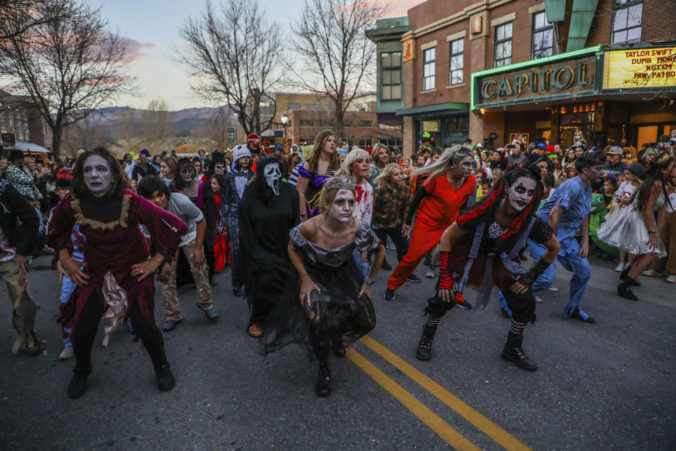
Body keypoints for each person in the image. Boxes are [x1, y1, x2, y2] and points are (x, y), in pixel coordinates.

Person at [47, 147, 188, 399]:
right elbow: (55, 228)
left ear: (113, 174)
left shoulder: (130, 201)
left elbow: (172, 226)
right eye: (88, 169)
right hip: (96, 274)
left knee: (145, 326)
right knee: (81, 328)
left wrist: (154, 262)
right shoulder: (73, 202)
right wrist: (66, 259)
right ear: (81, 174)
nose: (94, 175)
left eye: (101, 169)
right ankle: (82, 369)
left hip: (133, 273)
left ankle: (162, 367)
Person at [414, 168, 558, 370]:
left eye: (530, 193)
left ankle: (512, 348)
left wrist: (529, 278)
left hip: (501, 262)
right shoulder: (481, 212)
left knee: (525, 301)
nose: (524, 197)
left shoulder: (530, 222)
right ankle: (427, 336)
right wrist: (446, 277)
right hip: (466, 256)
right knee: (443, 297)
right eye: (520, 189)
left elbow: (554, 248)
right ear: (507, 188)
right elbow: (447, 237)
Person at [260, 177, 385, 397]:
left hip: (344, 274)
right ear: (326, 204)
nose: (347, 207)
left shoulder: (358, 228)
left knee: (367, 320)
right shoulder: (311, 228)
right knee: (317, 320)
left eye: (351, 202)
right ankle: (324, 368)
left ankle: (336, 334)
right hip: (315, 274)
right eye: (339, 202)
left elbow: (380, 251)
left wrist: (368, 282)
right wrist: (305, 278)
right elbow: (291, 248)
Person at [384, 146, 476, 301]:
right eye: (465, 164)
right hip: (427, 222)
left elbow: (464, 205)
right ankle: (392, 285)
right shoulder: (437, 177)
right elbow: (418, 197)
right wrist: (407, 222)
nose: (469, 168)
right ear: (454, 163)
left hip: (449, 224)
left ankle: (452, 293)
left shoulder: (471, 181)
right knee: (413, 258)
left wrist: (461, 225)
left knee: (455, 258)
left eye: (471, 164)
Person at [528, 151, 606, 323]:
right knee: (545, 279)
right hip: (544, 234)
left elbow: (584, 213)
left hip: (566, 238)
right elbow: (553, 216)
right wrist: (552, 245)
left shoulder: (587, 187)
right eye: (599, 168)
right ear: (585, 170)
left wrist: (585, 239)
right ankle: (511, 300)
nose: (603, 172)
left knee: (584, 271)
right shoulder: (574, 186)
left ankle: (573, 309)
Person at [138, 176, 219, 331]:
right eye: (151, 198)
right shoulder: (145, 213)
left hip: (189, 234)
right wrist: (157, 263)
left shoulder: (181, 202)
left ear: (165, 193)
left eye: (159, 195)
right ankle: (172, 314)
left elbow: (201, 221)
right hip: (165, 241)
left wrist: (197, 249)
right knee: (165, 276)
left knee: (200, 268)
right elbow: (150, 239)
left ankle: (206, 304)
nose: (156, 201)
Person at [238, 156, 299, 337]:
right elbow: (246, 231)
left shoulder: (290, 192)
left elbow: (295, 221)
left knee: (288, 283)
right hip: (259, 251)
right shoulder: (250, 197)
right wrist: (259, 256)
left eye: (277, 171)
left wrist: (294, 248)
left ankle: (282, 316)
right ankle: (258, 319)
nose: (274, 176)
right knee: (265, 279)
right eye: (269, 172)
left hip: (285, 248)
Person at [600, 151, 674, 300]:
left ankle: (627, 273)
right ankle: (625, 285)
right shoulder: (657, 184)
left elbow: (636, 198)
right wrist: (652, 232)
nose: (675, 169)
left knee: (644, 249)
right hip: (637, 217)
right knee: (651, 252)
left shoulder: (651, 179)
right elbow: (646, 209)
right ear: (664, 169)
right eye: (673, 166)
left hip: (632, 214)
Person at [0, 178, 42, 356]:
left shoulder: (4, 188)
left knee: (21, 296)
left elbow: (31, 218)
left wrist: (22, 252)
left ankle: (28, 338)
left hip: (7, 252)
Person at [173, 158, 218, 283]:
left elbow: (211, 209)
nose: (188, 174)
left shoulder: (204, 186)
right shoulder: (174, 188)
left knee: (206, 249)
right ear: (179, 173)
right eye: (184, 171)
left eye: (190, 171)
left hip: (202, 222)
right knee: (183, 253)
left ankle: (208, 276)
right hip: (183, 225)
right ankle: (185, 279)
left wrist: (210, 228)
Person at [222, 145, 255, 297]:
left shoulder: (254, 176)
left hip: (250, 217)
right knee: (236, 250)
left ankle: (251, 280)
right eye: (242, 157)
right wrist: (224, 222)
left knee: (250, 248)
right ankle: (236, 283)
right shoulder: (228, 177)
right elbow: (225, 200)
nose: (246, 159)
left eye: (247, 157)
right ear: (236, 158)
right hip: (234, 216)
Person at [372, 163, 414, 274]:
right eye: (396, 174)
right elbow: (373, 208)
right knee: (381, 248)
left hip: (395, 223)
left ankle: (404, 270)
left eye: (401, 173)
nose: (400, 176)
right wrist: (370, 227)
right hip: (379, 224)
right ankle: (381, 262)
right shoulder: (380, 189)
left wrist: (405, 223)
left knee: (404, 246)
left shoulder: (405, 188)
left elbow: (406, 208)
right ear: (389, 176)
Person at [296, 130, 340, 220]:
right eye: (329, 140)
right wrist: (303, 216)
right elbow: (300, 192)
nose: (332, 143)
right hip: (311, 214)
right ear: (320, 143)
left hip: (331, 214)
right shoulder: (310, 164)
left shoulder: (337, 165)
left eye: (334, 141)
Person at [611, 163, 645, 272]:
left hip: (636, 215)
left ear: (636, 175)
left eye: (628, 174)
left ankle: (629, 264)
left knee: (632, 239)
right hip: (624, 213)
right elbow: (616, 195)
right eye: (625, 174)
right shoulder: (624, 184)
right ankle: (621, 262)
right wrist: (621, 199)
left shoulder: (641, 187)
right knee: (623, 238)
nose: (626, 176)